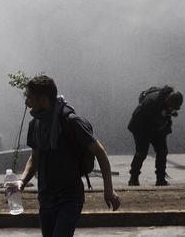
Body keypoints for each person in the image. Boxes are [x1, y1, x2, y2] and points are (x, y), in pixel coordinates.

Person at [7, 75, 121, 237]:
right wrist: (21, 181)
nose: (27, 102)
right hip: (46, 198)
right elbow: (35, 158)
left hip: (69, 198)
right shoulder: (36, 124)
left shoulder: (71, 121)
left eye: (30, 97)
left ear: (44, 100)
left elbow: (100, 152)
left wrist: (109, 189)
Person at [127, 85, 183, 186]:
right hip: (140, 127)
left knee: (162, 151)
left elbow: (165, 120)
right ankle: (133, 178)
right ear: (168, 99)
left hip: (157, 128)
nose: (171, 108)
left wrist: (166, 116)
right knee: (141, 152)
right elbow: (148, 119)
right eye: (171, 106)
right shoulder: (152, 101)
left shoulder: (167, 103)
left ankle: (160, 179)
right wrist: (162, 116)